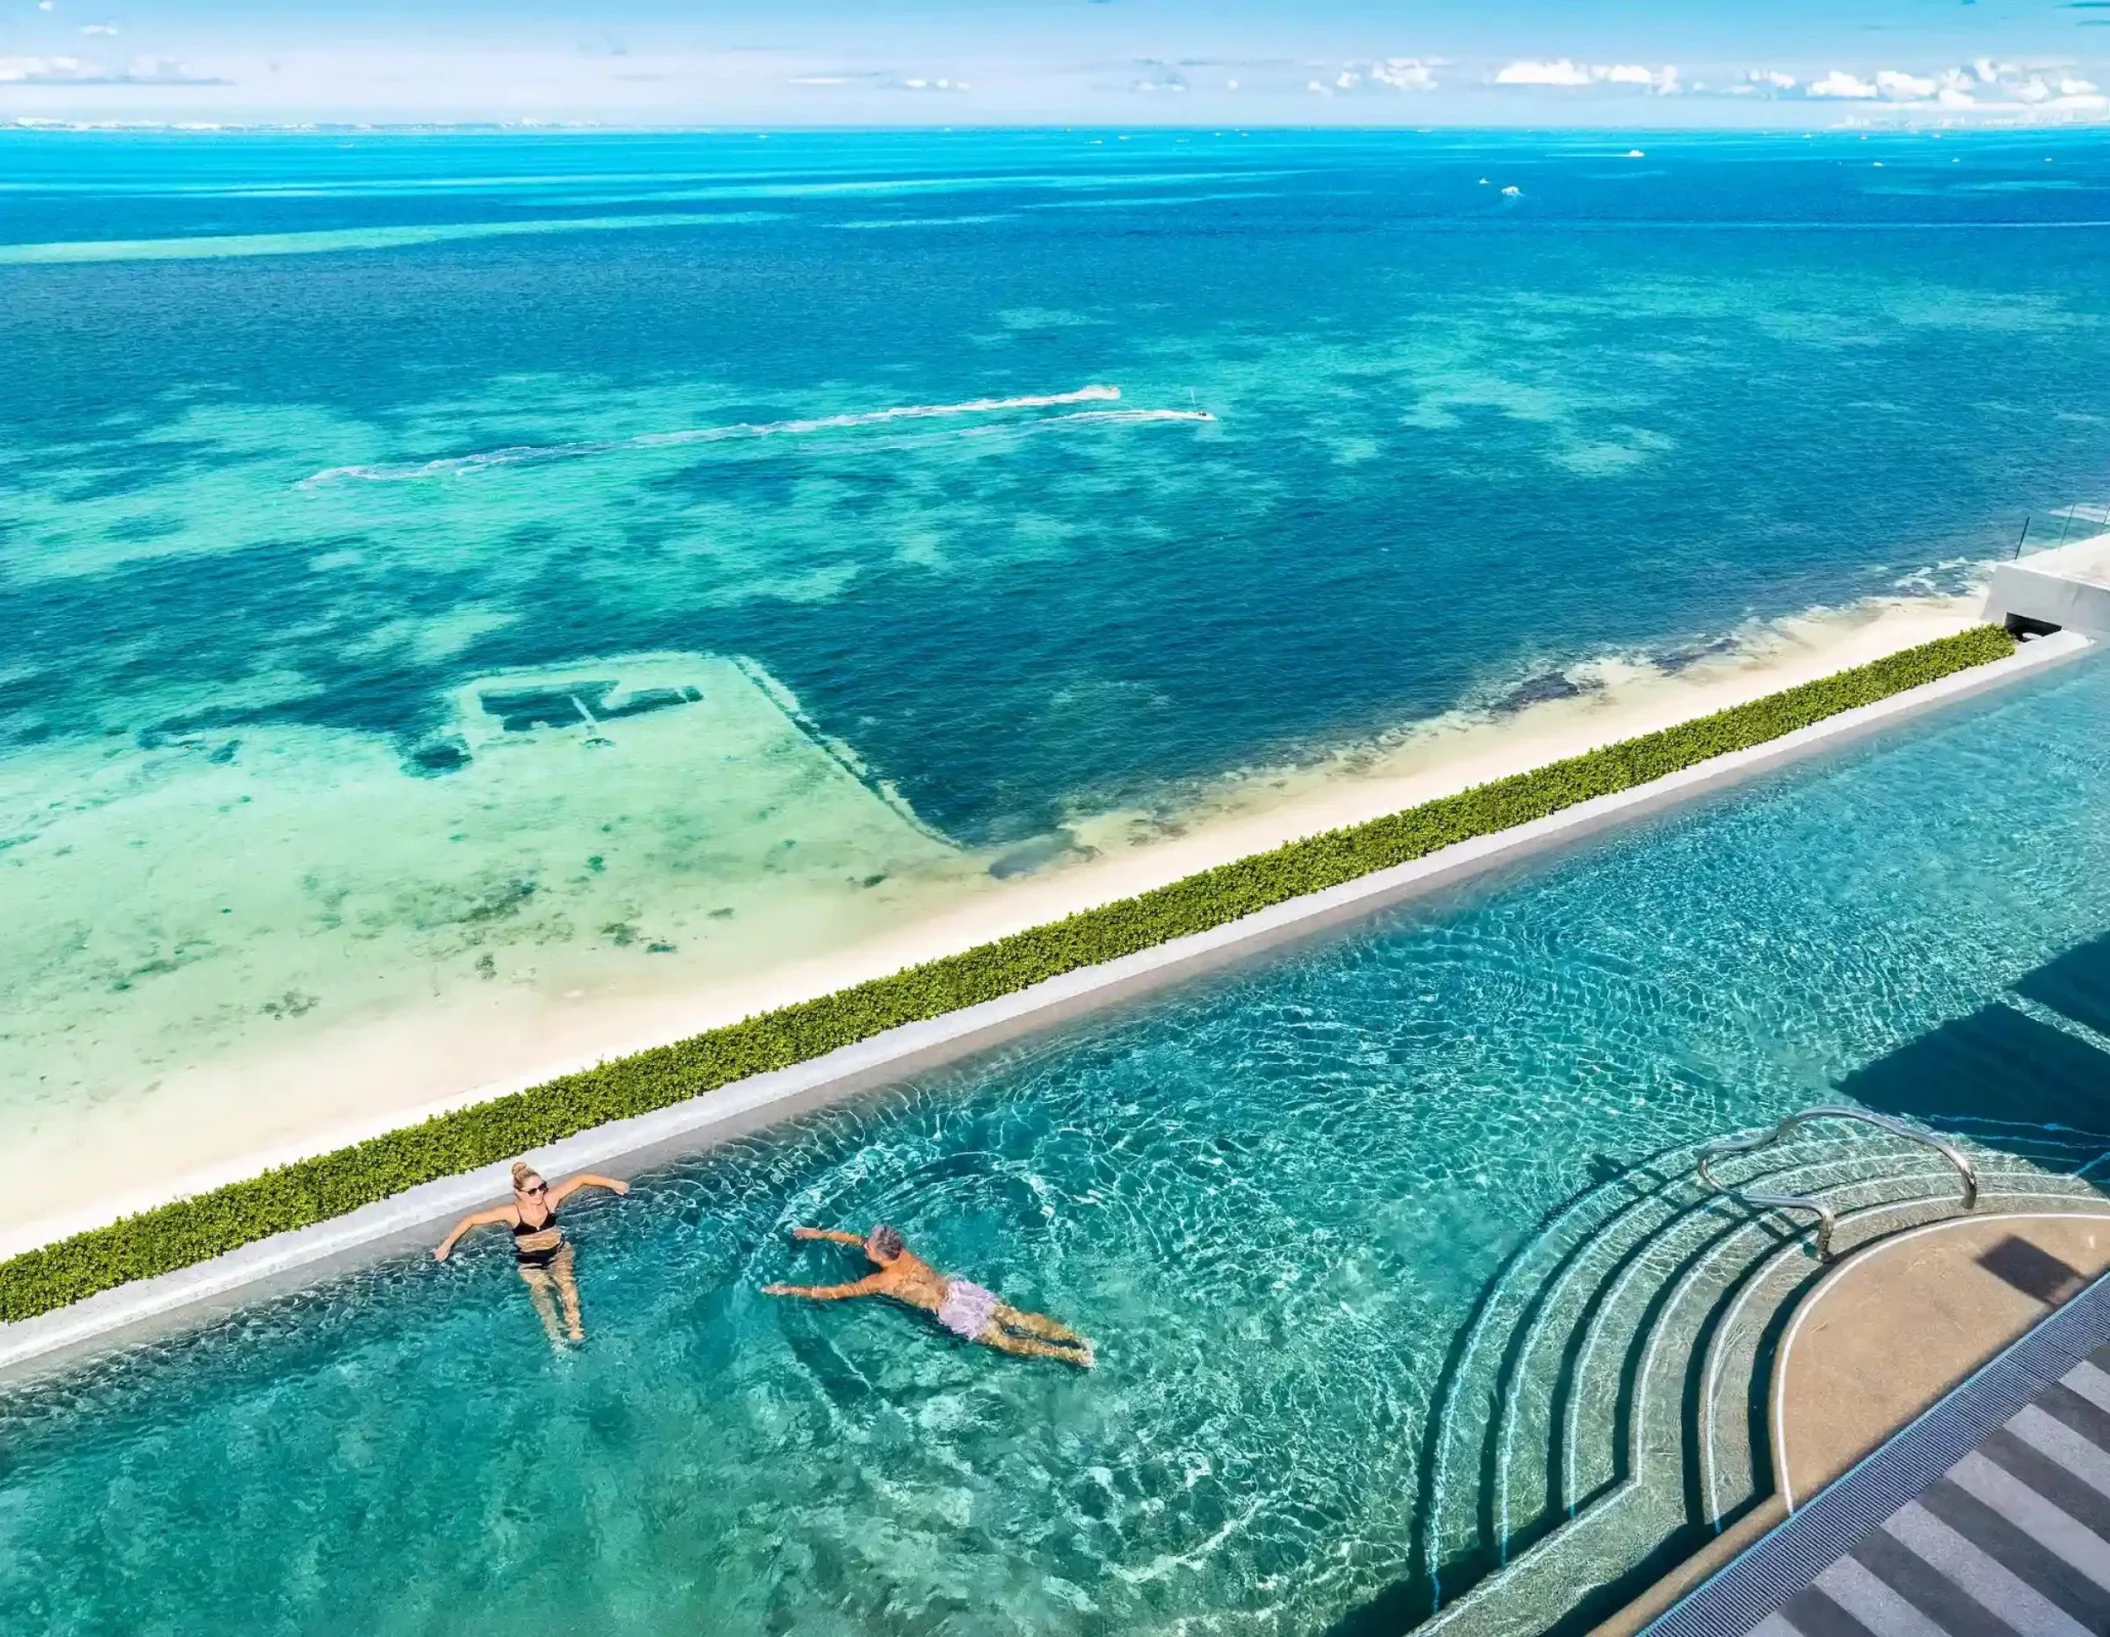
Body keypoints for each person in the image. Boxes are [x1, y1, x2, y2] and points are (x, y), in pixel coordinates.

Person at [763, 1224, 1094, 1367]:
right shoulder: (901, 1253)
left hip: (953, 1312)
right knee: (1018, 1317)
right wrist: (819, 1234)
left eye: (868, 1246)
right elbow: (858, 1239)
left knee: (1007, 1342)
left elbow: (835, 1293)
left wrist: (790, 1288)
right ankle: (1077, 1339)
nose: (863, 1243)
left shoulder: (881, 1280)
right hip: (960, 1290)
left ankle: (1070, 1356)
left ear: (881, 1255)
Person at [434, 1162, 630, 1345]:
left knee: (567, 1285)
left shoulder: (549, 1200)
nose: (539, 1194)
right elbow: (472, 1219)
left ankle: (576, 1329)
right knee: (541, 1293)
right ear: (519, 1193)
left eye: (542, 1187)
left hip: (559, 1252)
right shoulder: (512, 1212)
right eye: (532, 1191)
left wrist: (614, 1184)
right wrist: (447, 1244)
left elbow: (580, 1179)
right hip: (530, 1261)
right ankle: (555, 1338)